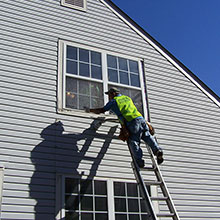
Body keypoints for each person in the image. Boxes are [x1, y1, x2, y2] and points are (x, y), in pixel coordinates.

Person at [85, 87, 163, 167]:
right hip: (141, 119)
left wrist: (90, 110)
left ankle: (140, 162)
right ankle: (157, 150)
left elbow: (101, 110)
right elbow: (133, 110)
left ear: (114, 93)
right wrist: (148, 124)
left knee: (134, 141)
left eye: (109, 95)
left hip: (132, 122)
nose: (109, 97)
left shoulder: (114, 101)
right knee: (147, 136)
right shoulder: (127, 98)